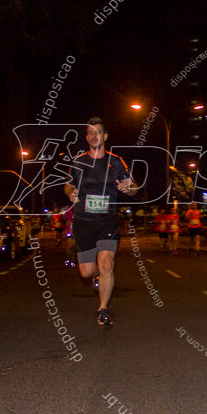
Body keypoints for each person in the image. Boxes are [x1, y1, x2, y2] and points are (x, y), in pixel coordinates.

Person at [63, 118, 137, 326]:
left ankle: (102, 308)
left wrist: (127, 187)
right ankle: (101, 274)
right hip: (83, 222)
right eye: (89, 133)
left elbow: (134, 187)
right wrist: (71, 192)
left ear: (105, 136)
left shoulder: (116, 161)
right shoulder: (79, 161)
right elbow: (67, 186)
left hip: (107, 221)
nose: (93, 136)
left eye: (98, 132)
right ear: (87, 137)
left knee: (105, 264)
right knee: (86, 272)